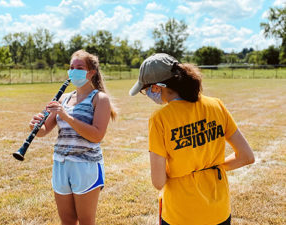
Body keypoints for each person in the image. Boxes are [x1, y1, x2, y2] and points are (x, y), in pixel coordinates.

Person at [129, 53, 255, 225]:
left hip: (180, 214)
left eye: (146, 90)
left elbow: (158, 182)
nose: (148, 94)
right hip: (219, 211)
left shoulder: (159, 119)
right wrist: (211, 168)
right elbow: (246, 156)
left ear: (158, 87)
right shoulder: (216, 105)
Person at [29, 49, 116, 225]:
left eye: (79, 67)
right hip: (60, 164)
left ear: (91, 72)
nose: (73, 71)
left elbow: (97, 135)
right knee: (67, 221)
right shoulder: (64, 99)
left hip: (85, 166)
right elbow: (44, 130)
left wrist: (67, 116)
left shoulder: (100, 99)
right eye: (71, 67)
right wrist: (34, 126)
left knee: (85, 221)